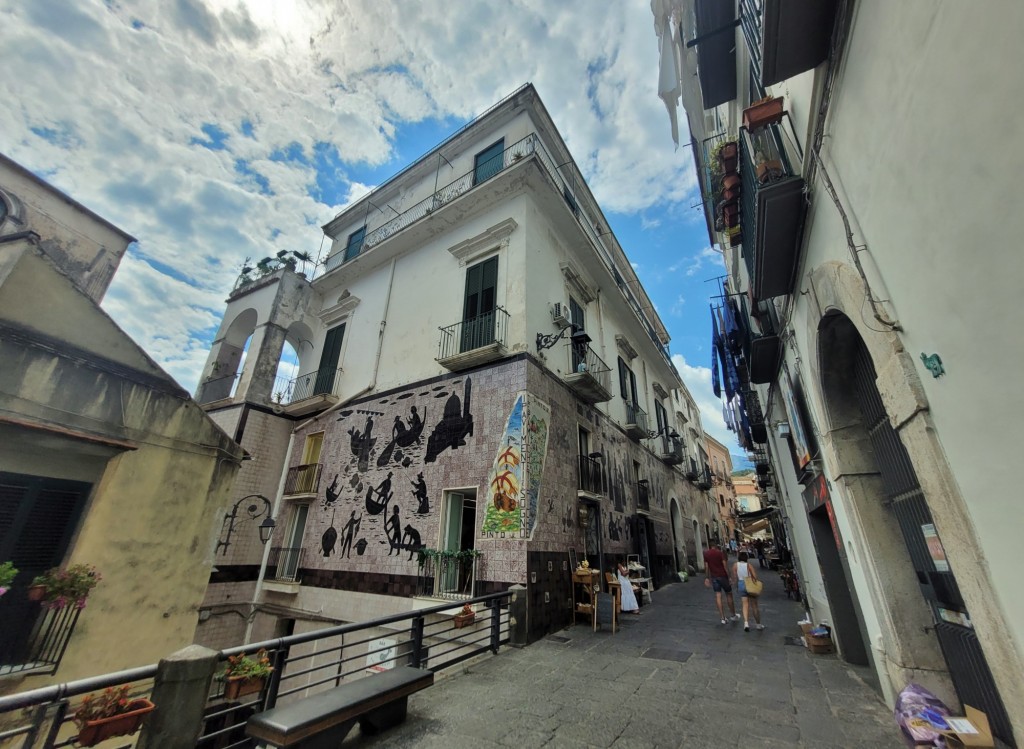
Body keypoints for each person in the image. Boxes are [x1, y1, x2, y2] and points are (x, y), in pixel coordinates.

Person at [703, 544, 740, 624]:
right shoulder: (720, 553)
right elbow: (725, 566)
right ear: (717, 546)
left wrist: (706, 577)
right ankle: (733, 615)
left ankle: (722, 618)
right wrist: (729, 577)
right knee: (729, 594)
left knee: (718, 596)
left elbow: (706, 567)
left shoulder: (706, 554)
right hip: (723, 576)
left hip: (714, 577)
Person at [733, 551, 764, 632]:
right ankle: (758, 624)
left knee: (745, 605)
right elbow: (755, 576)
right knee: (754, 605)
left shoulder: (735, 565)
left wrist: (736, 586)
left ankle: (746, 623)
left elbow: (735, 577)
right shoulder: (748, 565)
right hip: (749, 584)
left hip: (741, 584)